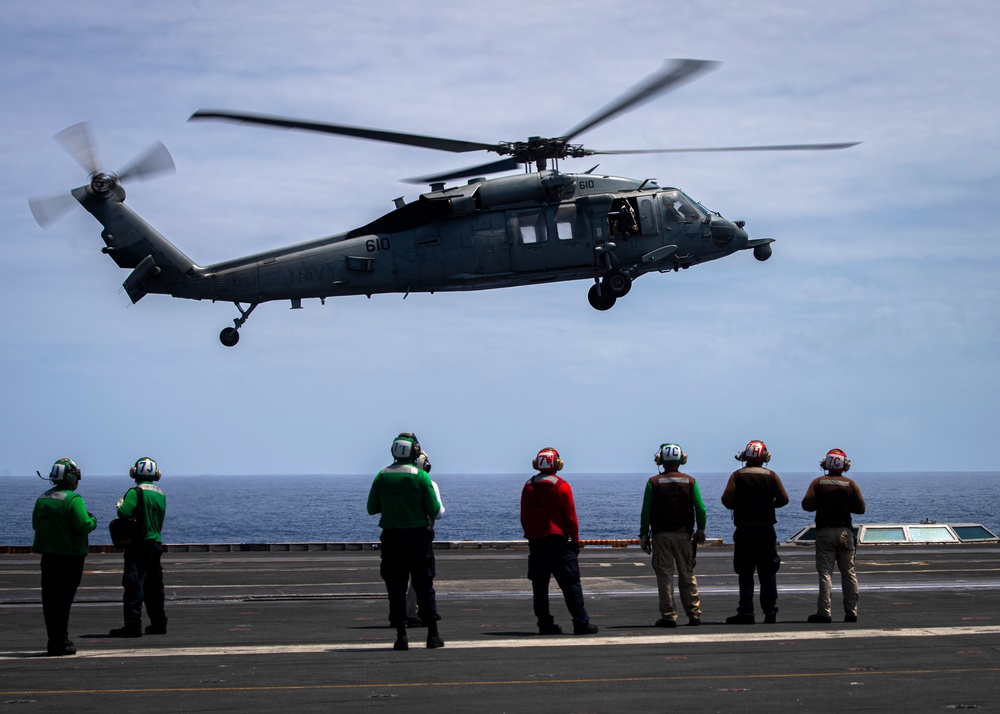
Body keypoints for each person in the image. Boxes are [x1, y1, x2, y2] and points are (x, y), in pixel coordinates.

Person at [367, 433, 444, 651]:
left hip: (392, 538)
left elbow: (372, 508)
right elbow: (435, 510)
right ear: (415, 452)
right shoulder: (421, 477)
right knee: (424, 586)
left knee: (396, 588)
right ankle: (432, 635)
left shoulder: (381, 477)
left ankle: (401, 636)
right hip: (418, 538)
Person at [519, 447, 598, 636]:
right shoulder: (562, 486)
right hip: (558, 542)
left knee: (539, 586)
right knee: (570, 583)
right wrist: (576, 541)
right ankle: (581, 622)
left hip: (536, 543)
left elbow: (524, 516)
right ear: (558, 464)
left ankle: (544, 624)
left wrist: (532, 536)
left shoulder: (528, 486)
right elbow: (571, 518)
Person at [32, 457, 97, 656]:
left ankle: (54, 640)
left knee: (50, 601)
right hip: (70, 558)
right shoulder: (73, 499)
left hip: (49, 557)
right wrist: (93, 520)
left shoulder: (43, 498)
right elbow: (83, 525)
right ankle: (61, 642)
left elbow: (36, 525)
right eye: (75, 475)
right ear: (69, 477)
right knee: (63, 602)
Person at [721, 440, 789, 624]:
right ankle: (770, 612)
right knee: (768, 572)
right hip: (766, 530)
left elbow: (726, 500)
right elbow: (784, 499)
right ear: (765, 457)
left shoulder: (737, 476)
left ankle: (746, 611)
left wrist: (741, 504)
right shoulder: (772, 476)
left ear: (745, 456)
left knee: (745, 573)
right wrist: (768, 504)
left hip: (745, 530)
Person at [639, 443, 707, 627]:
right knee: (687, 574)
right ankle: (694, 614)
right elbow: (701, 509)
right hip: (684, 536)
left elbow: (646, 512)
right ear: (682, 459)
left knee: (664, 576)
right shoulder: (690, 481)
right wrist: (701, 529)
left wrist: (644, 535)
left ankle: (669, 616)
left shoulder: (652, 482)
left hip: (661, 537)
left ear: (660, 459)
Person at [802, 448, 867, 624]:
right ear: (845, 465)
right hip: (845, 532)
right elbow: (861, 509)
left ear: (826, 464)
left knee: (825, 573)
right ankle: (851, 612)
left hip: (825, 532)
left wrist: (821, 504)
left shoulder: (818, 483)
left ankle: (824, 612)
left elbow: (806, 505)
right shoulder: (851, 484)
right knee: (849, 573)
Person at [108, 457, 168, 638]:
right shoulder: (160, 493)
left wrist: (121, 504)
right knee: (154, 587)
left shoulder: (135, 492)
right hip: (155, 544)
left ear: (135, 473)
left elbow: (124, 512)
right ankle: (159, 623)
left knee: (134, 585)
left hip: (139, 545)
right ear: (156, 474)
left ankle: (133, 625)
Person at [405, 450, 443, 627]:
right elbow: (438, 512)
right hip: (422, 534)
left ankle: (403, 613)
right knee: (422, 577)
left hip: (397, 534)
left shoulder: (396, 481)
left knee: (400, 577)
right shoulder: (429, 482)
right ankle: (421, 613)